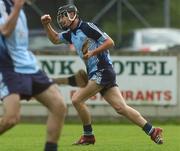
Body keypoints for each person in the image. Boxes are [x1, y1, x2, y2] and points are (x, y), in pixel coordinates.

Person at [41, 4, 163, 145]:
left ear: (72, 14)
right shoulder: (71, 34)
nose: (61, 20)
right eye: (60, 17)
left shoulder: (87, 27)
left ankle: (88, 135)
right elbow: (55, 39)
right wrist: (46, 24)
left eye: (64, 16)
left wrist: (93, 52)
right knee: (121, 108)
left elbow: (110, 42)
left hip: (103, 70)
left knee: (76, 99)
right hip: (99, 72)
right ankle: (152, 131)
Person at [0, 0, 67, 151]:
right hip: (9, 68)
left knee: (58, 105)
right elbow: (5, 30)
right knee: (11, 119)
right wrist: (17, 7)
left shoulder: (18, 7)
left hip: (29, 65)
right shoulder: (4, 5)